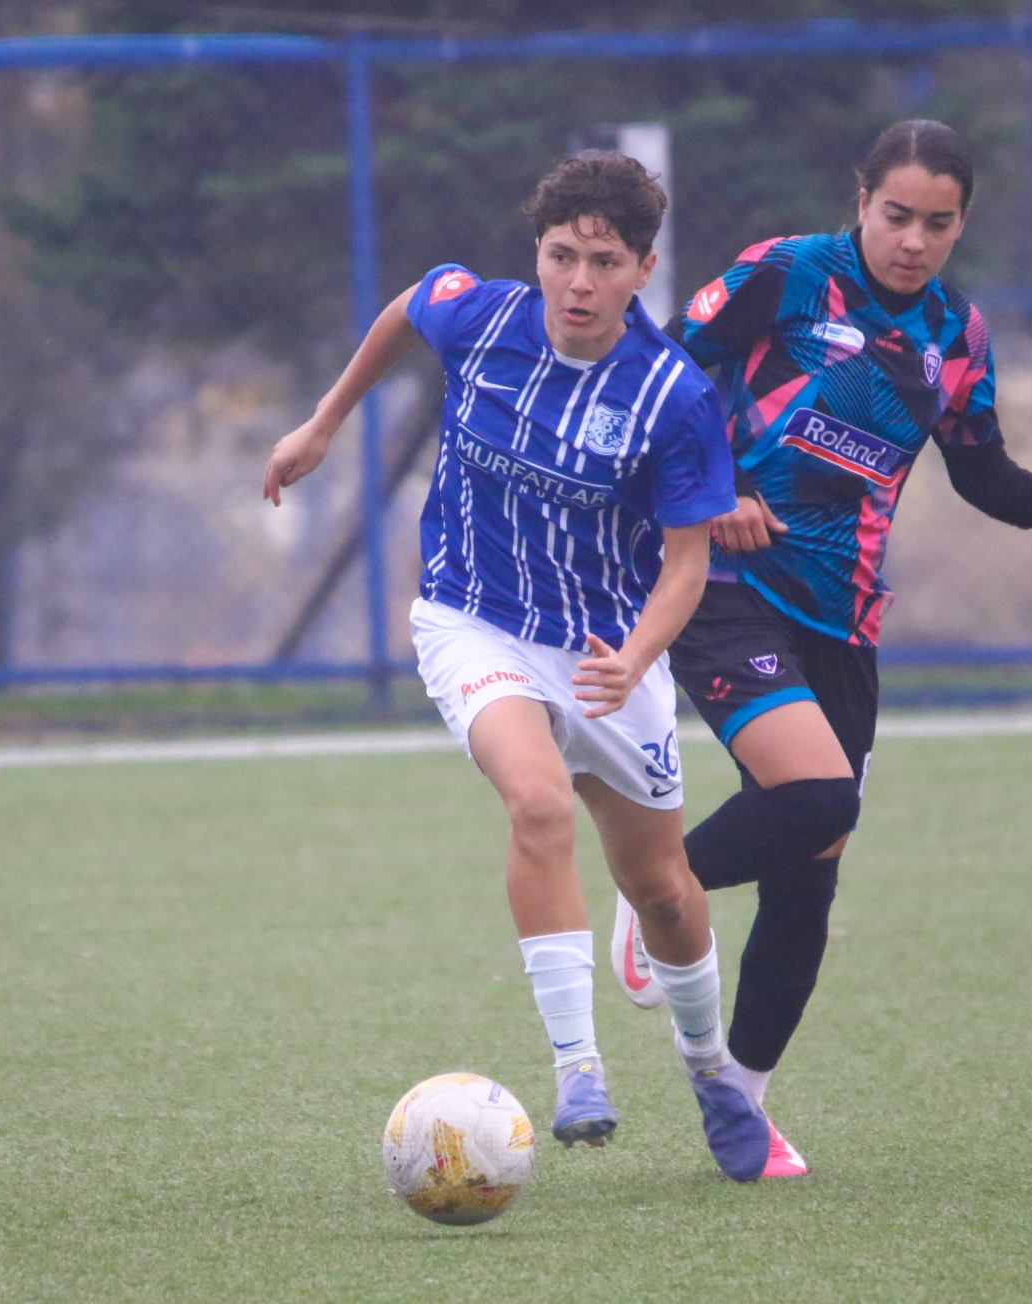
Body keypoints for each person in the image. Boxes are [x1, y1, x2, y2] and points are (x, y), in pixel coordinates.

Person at [609, 119, 1032, 1178]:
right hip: (723, 586)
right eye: (895, 215)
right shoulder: (784, 276)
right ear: (860, 201)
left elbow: (984, 475)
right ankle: (658, 890)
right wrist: (717, 490)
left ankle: (740, 1103)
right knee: (819, 796)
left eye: (936, 224)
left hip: (844, 616)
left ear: (960, 225)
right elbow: (658, 380)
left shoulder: (955, 336)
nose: (912, 240)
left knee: (810, 871)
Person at [263, 152, 771, 1182]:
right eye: (560, 256)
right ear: (535, 253)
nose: (578, 282)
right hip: (472, 618)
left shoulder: (671, 397)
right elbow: (410, 304)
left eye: (604, 262)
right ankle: (578, 1071)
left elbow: (685, 564)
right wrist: (324, 419)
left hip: (605, 649)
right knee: (536, 803)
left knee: (663, 890)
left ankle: (709, 1064)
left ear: (644, 269)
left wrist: (634, 660)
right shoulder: (482, 316)